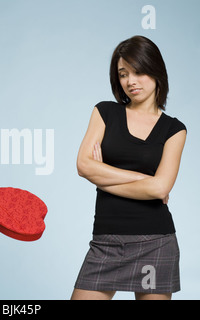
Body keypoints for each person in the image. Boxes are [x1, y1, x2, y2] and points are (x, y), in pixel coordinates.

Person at [71, 36, 187, 300]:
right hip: (106, 243)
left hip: (156, 243)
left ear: (156, 70)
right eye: (123, 74)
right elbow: (83, 165)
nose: (130, 81)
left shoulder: (174, 130)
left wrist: (102, 176)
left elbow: (160, 188)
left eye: (138, 71)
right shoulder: (105, 112)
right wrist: (142, 179)